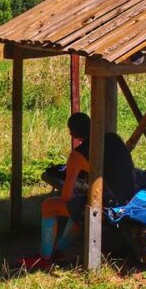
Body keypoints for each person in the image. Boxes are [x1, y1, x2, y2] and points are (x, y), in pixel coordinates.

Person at [18, 112, 92, 270]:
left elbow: (66, 196)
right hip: (124, 198)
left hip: (104, 207)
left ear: (72, 133)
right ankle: (59, 250)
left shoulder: (78, 154)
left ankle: (45, 256)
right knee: (81, 205)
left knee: (50, 205)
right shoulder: (110, 141)